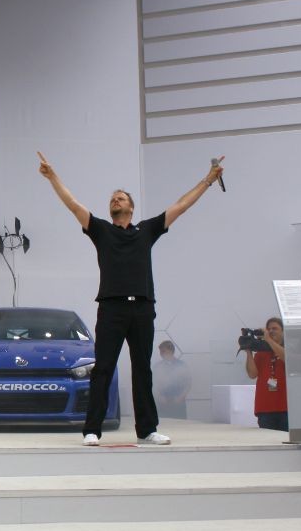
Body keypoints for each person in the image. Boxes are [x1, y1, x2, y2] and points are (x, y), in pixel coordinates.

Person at [37, 151, 223, 446]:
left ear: (131, 208)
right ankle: (92, 429)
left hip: (143, 308)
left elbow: (181, 205)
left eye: (121, 198)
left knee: (142, 370)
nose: (116, 200)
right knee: (103, 368)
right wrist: (52, 177)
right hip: (111, 308)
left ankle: (147, 429)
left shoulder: (147, 230)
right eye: (113, 199)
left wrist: (208, 180)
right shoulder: (101, 230)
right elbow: (73, 204)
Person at [244, 317, 288, 431]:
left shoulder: (288, 348)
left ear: (283, 331)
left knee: (285, 438)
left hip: (285, 407)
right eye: (269, 329)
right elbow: (252, 374)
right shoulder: (262, 351)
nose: (271, 331)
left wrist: (268, 339)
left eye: (275, 328)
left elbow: (288, 359)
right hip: (265, 407)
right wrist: (248, 351)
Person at [152, 340, 191, 419]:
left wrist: (181, 397)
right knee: (164, 424)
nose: (161, 354)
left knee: (180, 424)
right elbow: (153, 384)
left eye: (163, 351)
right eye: (160, 352)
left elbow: (188, 383)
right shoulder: (157, 366)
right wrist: (159, 397)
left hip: (178, 404)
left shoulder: (181, 365)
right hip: (163, 404)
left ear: (171, 351)